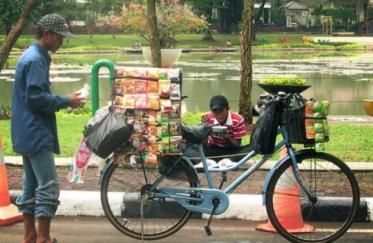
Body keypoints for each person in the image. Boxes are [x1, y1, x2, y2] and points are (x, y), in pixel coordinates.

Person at [11, 14, 84, 243]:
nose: (62, 42)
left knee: (30, 186)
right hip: (36, 132)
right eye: (60, 37)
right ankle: (43, 238)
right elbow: (35, 99)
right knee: (48, 187)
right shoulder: (35, 60)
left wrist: (62, 101)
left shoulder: (34, 56)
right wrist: (65, 100)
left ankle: (30, 236)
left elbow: (35, 96)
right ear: (47, 34)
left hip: (26, 130)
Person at [200, 95, 248, 159]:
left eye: (221, 111)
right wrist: (205, 128)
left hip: (231, 150)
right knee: (199, 151)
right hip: (213, 148)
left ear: (228, 108)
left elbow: (237, 145)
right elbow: (203, 145)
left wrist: (226, 136)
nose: (219, 115)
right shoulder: (207, 118)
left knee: (243, 152)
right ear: (211, 111)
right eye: (215, 112)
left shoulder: (238, 119)